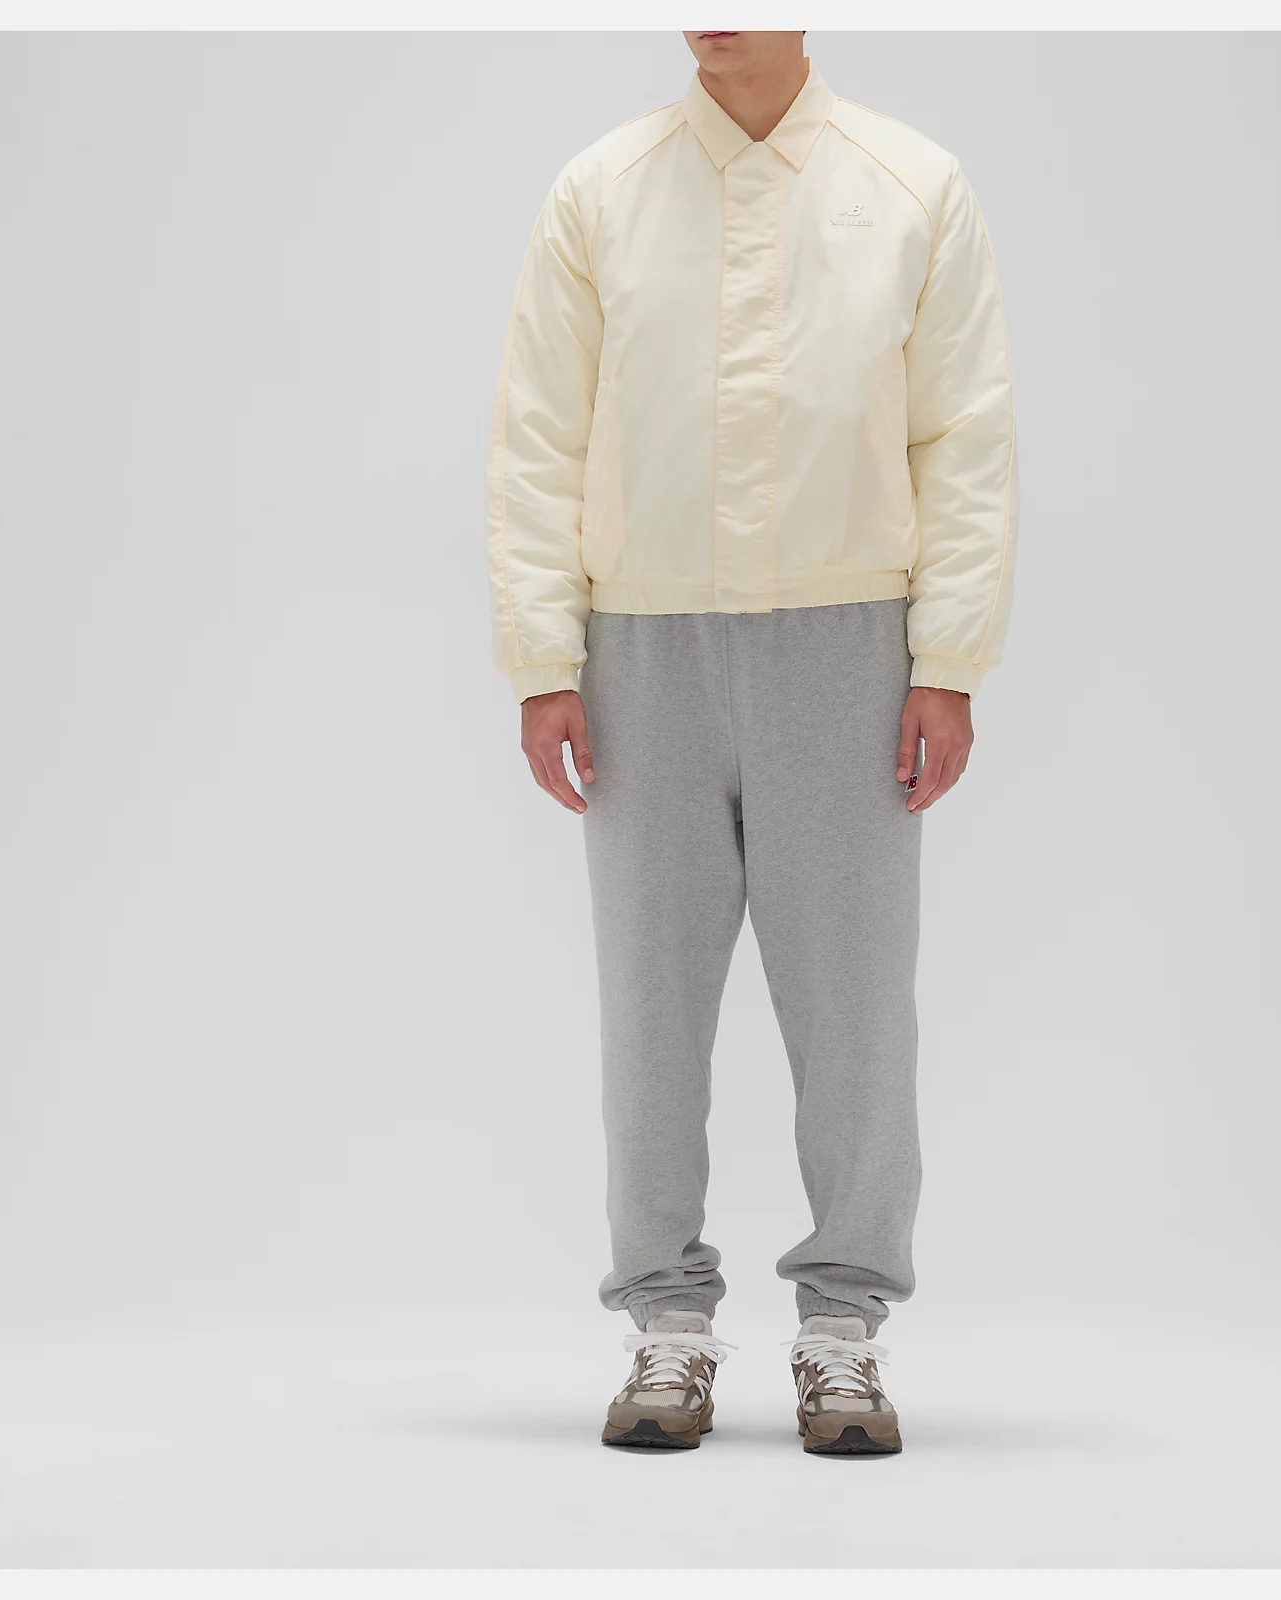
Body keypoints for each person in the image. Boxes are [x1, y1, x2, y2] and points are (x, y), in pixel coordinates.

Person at [486, 29, 1016, 1456]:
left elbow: (963, 438)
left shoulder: (911, 184)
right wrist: (543, 658)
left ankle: (843, 1333)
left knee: (857, 1013)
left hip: (850, 645)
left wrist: (948, 661)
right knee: (649, 1011)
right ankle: (665, 1326)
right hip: (640, 645)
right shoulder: (602, 190)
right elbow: (538, 434)